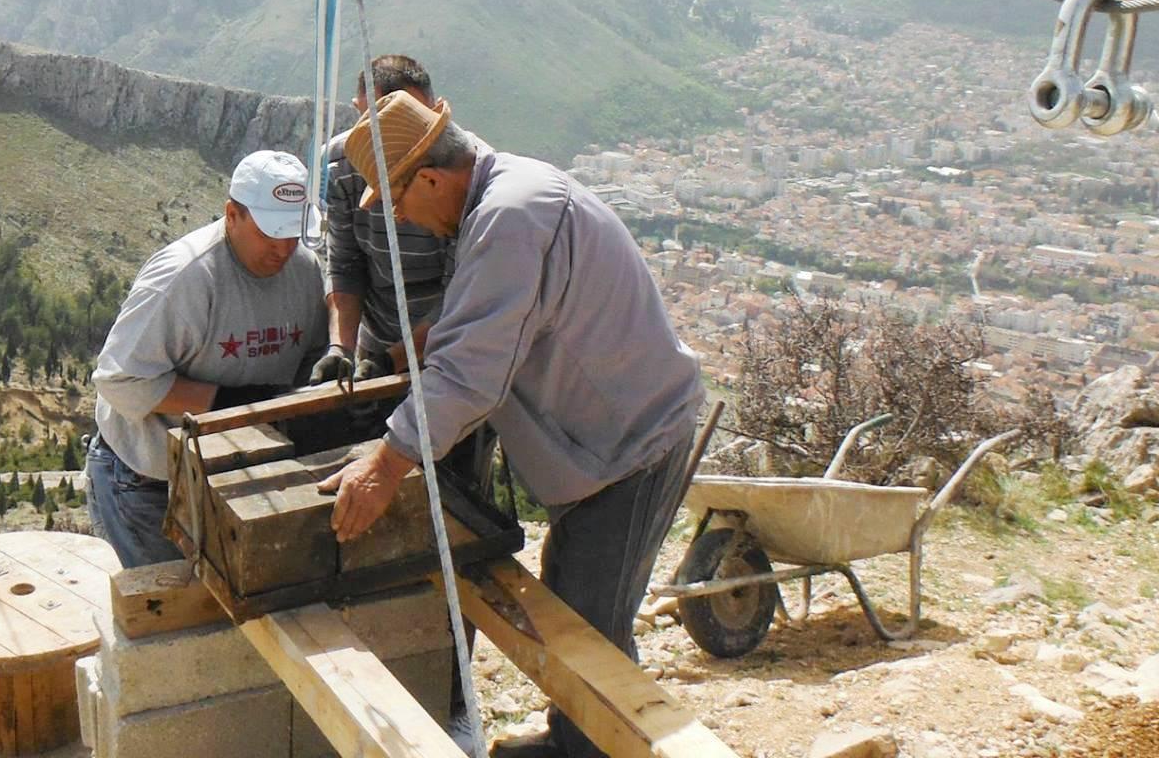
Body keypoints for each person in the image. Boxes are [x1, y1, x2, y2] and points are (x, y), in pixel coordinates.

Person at [319, 93, 705, 758]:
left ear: (433, 178)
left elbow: (472, 371)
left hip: (630, 444)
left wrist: (385, 465)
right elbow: (492, 326)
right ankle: (575, 739)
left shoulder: (511, 216)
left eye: (400, 202)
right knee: (580, 603)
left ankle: (587, 748)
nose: (402, 218)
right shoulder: (503, 203)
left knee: (589, 624)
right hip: (603, 441)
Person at [86, 149, 329, 568]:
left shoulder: (304, 270)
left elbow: (310, 354)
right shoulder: (186, 277)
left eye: (293, 232)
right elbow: (118, 381)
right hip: (151, 482)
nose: (283, 249)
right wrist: (232, 404)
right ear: (232, 214)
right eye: (271, 234)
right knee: (171, 622)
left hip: (238, 473)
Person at [311, 55, 450, 388]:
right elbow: (345, 264)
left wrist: (395, 361)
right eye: (376, 121)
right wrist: (340, 349)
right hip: (375, 342)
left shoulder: (458, 171)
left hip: (451, 347)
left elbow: (464, 293)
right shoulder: (339, 165)